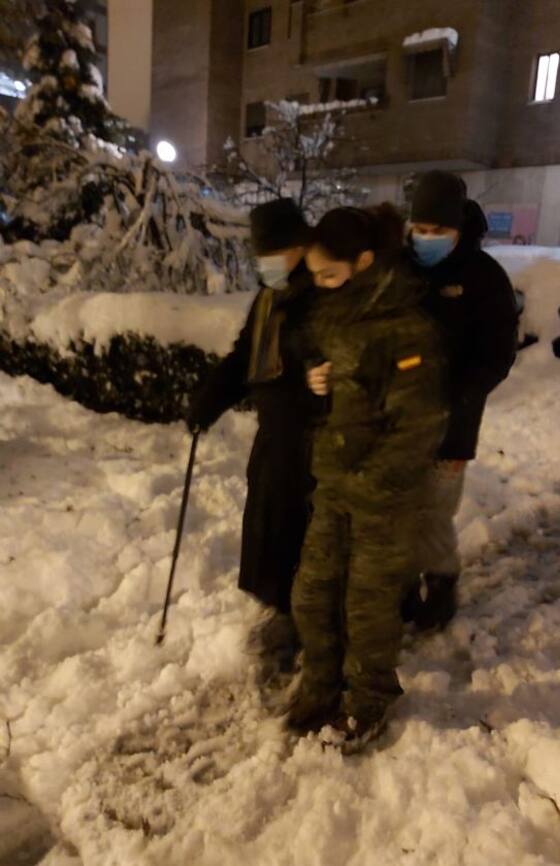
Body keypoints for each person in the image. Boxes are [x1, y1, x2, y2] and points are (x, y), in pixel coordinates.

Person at [287, 205, 449, 752]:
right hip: (336, 483)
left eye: (328, 273)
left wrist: (375, 483)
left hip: (385, 495)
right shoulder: (337, 315)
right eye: (315, 275)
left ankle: (369, 701)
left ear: (363, 261)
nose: (320, 284)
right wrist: (317, 385)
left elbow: (418, 424)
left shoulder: (405, 325)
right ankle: (321, 685)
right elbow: (344, 398)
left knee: (368, 606)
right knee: (311, 594)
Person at [186, 198, 317, 668]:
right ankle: (280, 608)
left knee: (303, 531)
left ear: (300, 246)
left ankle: (302, 619)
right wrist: (209, 401)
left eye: (274, 253)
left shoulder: (323, 294)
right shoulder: (269, 297)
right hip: (276, 436)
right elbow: (244, 356)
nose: (265, 263)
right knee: (268, 526)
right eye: (260, 254)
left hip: (315, 440)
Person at [401, 171, 518, 632]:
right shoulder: (401, 267)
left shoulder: (485, 278)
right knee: (402, 505)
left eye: (438, 231)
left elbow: (498, 353)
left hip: (453, 423)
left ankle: (443, 583)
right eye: (420, 229)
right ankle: (405, 585)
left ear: (458, 228)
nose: (427, 239)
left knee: (433, 511)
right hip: (400, 422)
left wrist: (460, 395)